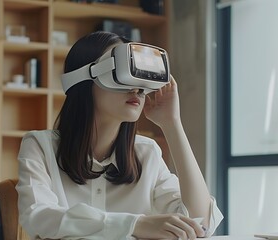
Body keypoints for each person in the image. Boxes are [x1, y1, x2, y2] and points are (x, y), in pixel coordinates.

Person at [16, 31, 223, 240]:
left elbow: (201, 224)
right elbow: (37, 216)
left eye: (140, 80)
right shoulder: (40, 146)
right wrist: (134, 224)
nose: (136, 89)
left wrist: (172, 125)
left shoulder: (146, 153)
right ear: (83, 79)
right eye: (122, 73)